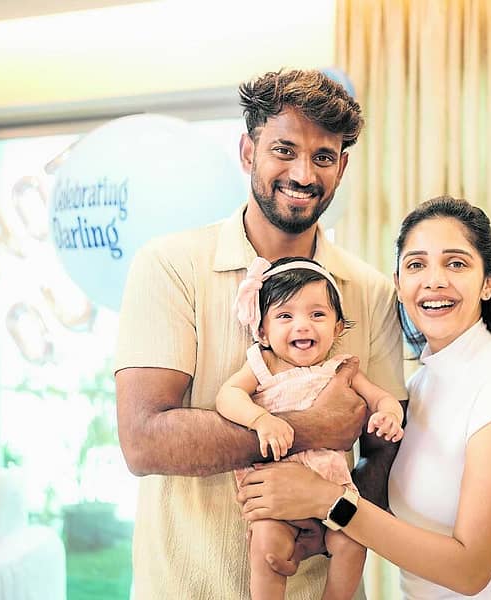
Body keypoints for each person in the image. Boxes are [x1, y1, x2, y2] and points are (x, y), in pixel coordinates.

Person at [114, 69, 407, 600]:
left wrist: (334, 519)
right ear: (248, 152)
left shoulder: (370, 290)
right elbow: (144, 440)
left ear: (341, 168)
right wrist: (312, 427)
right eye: (284, 150)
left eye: (323, 157)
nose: (303, 173)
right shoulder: (169, 266)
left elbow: (384, 452)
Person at [238, 196, 491, 599]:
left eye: (456, 263)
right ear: (398, 284)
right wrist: (312, 529)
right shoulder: (420, 386)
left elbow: (470, 570)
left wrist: (328, 500)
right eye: (416, 265)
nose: (434, 281)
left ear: (488, 283)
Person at [218, 256, 405, 599]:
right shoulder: (263, 365)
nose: (303, 326)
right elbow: (227, 396)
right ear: (262, 330)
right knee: (268, 546)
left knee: (352, 542)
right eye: (285, 316)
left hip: (332, 487)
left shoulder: (341, 369)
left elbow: (382, 398)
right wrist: (260, 420)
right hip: (273, 489)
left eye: (317, 315)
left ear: (337, 327)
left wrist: (388, 415)